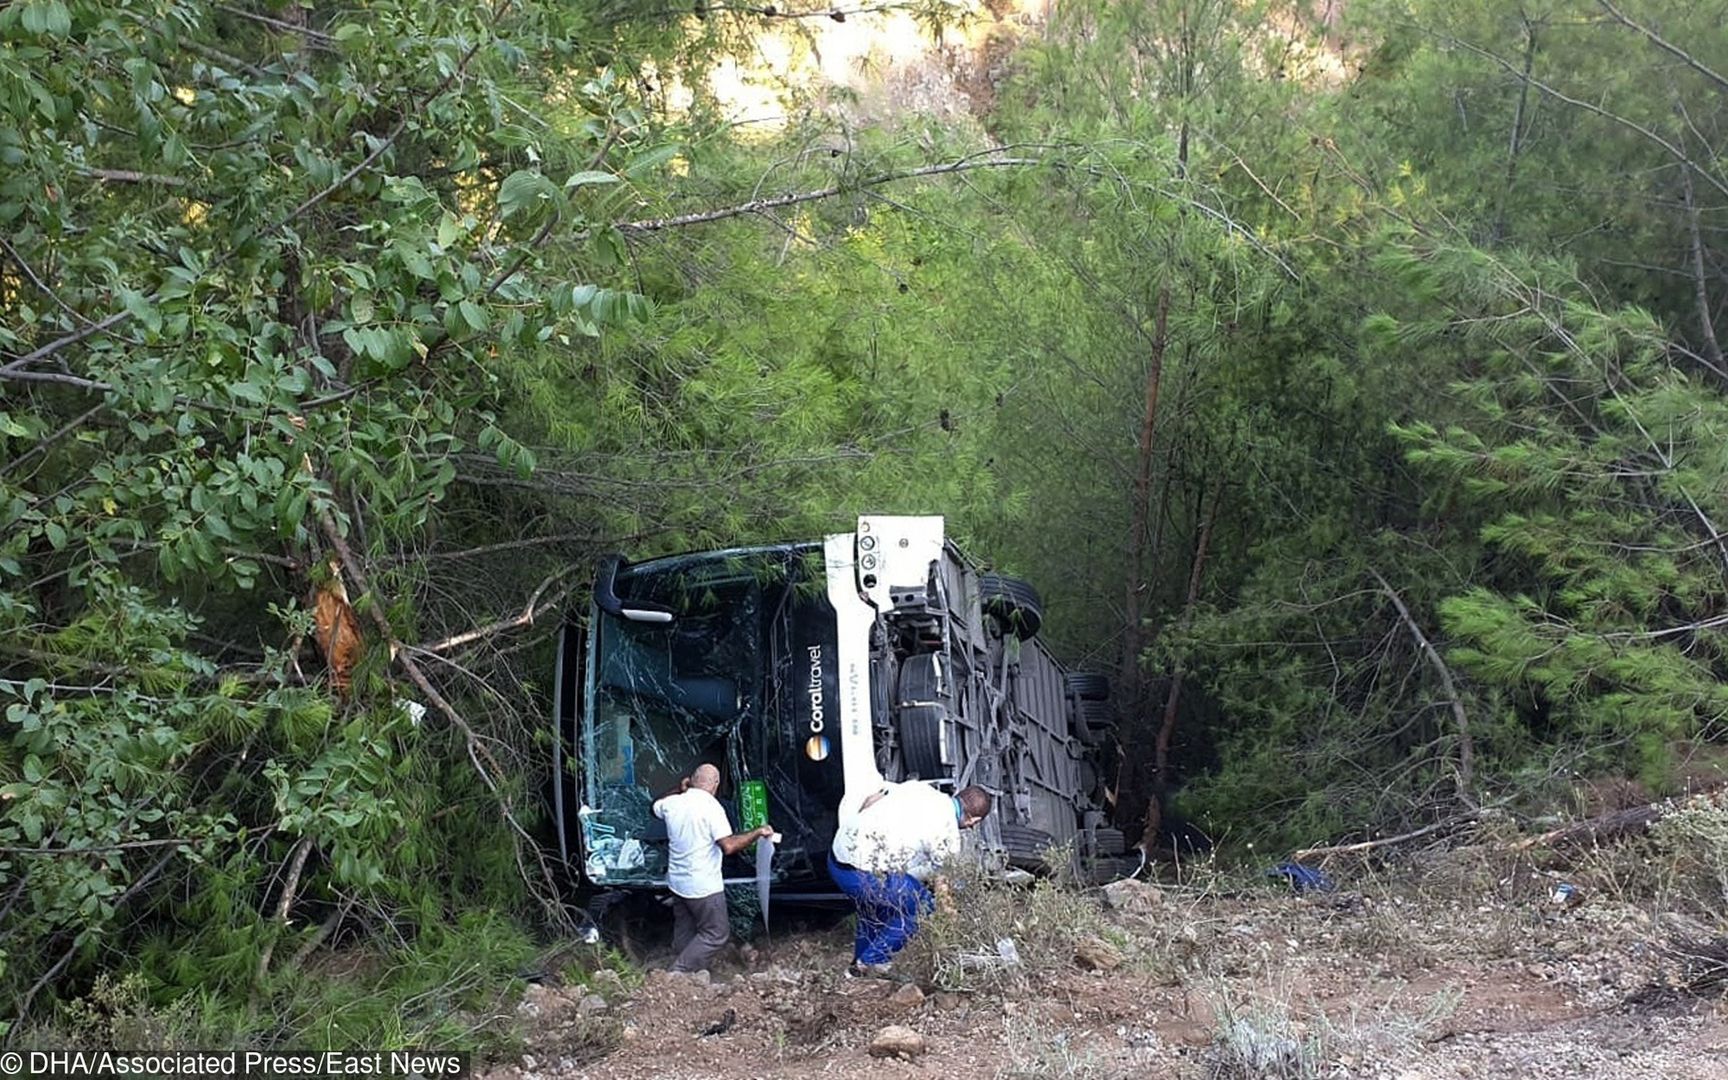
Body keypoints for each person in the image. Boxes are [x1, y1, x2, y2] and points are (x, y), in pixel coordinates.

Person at [827, 781, 992, 975]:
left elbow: (872, 798)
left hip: (836, 858)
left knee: (878, 905)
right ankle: (867, 965)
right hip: (861, 875)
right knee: (922, 906)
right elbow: (943, 894)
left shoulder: (920, 788)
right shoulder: (948, 835)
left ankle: (860, 960)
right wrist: (955, 926)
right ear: (974, 821)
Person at [651, 763, 774, 974]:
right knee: (716, 933)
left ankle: (688, 971)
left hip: (677, 881)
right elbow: (729, 846)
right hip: (703, 885)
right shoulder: (712, 808)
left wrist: (679, 789)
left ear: (691, 780)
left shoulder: (673, 803)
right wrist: (758, 832)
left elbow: (654, 806)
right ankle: (677, 973)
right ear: (715, 785)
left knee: (686, 927)